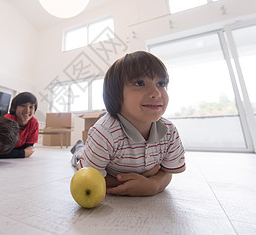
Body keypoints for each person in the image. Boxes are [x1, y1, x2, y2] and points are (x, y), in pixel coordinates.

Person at [70, 51, 185, 196]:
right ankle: (79, 148)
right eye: (139, 83)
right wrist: (139, 181)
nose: (156, 93)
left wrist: (154, 185)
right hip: (93, 156)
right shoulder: (104, 133)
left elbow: (167, 172)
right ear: (116, 95)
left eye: (161, 83)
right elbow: (90, 176)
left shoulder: (169, 131)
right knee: (80, 156)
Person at [0, 92, 39, 159]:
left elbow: (29, 149)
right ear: (14, 108)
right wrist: (22, 153)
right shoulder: (8, 120)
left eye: (31, 107)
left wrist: (21, 152)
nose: (27, 110)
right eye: (23, 105)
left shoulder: (34, 123)